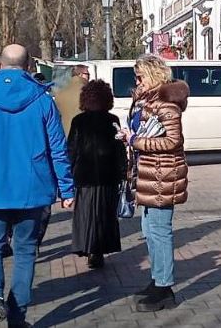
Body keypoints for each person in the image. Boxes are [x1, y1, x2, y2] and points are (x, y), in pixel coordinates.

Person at [0, 44, 75, 328]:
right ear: (28, 68)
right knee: (25, 252)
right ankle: (17, 316)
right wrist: (66, 189)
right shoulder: (43, 100)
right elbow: (58, 149)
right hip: (32, 188)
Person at [118, 55, 190, 313]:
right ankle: (157, 279)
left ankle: (164, 287)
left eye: (140, 77)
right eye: (136, 77)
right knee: (149, 229)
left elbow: (173, 141)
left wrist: (135, 141)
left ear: (153, 75)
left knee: (159, 230)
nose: (137, 81)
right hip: (148, 173)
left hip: (163, 175)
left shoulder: (166, 104)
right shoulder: (146, 101)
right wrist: (129, 137)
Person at [68, 80, 126, 269]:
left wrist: (68, 173)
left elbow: (72, 149)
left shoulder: (79, 121)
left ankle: (87, 247)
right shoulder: (112, 120)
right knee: (105, 214)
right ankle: (99, 250)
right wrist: (123, 171)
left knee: (85, 213)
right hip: (108, 174)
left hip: (84, 174)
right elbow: (119, 149)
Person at [54, 65, 90, 135]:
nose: (89, 77)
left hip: (67, 134)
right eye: (87, 74)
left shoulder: (60, 93)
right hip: (85, 135)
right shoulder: (89, 92)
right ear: (80, 74)